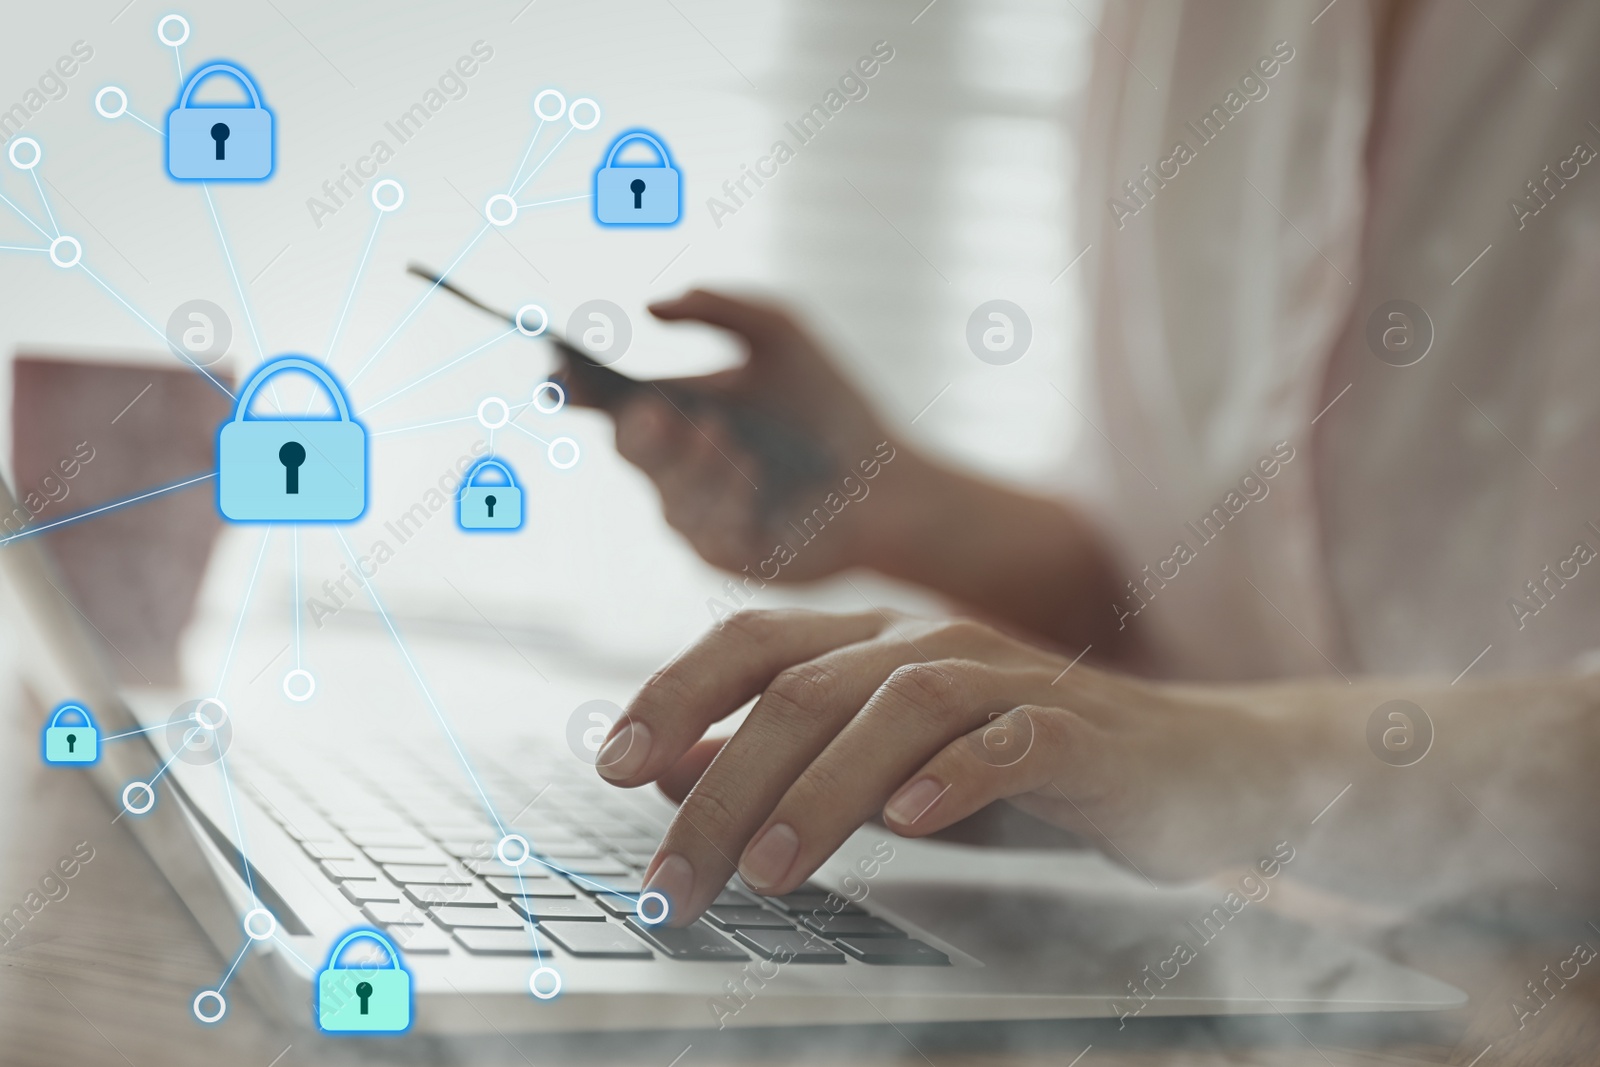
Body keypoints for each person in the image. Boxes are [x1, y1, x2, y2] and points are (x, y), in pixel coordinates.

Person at [574, 0, 1600, 927]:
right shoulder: (1162, 30)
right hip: (1248, 969)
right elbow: (1179, 594)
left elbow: (1189, 732)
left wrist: (1227, 760)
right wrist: (901, 505)